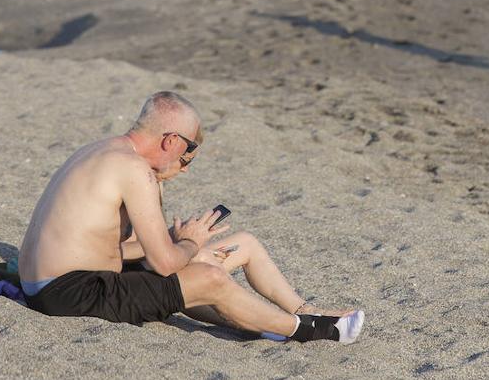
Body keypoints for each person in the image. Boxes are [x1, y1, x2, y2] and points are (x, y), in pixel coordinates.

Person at [18, 91, 364, 343]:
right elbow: (167, 265)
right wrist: (187, 242)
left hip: (66, 279)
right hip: (67, 292)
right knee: (208, 278)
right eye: (187, 151)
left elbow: (107, 245)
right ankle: (307, 330)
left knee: (243, 244)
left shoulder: (102, 150)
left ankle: (304, 309)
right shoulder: (133, 169)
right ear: (170, 140)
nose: (186, 162)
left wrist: (176, 239)